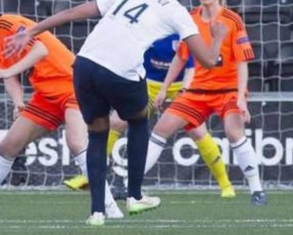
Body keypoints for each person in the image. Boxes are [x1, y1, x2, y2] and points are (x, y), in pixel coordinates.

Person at [5, 0, 227, 226]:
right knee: (139, 120)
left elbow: (73, 13)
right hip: (119, 72)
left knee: (97, 135)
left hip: (84, 66)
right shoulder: (175, 9)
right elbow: (206, 60)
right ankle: (135, 196)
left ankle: (97, 212)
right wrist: (217, 39)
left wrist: (32, 31)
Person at [0, 0, 124, 219]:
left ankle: (109, 207)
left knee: (76, 143)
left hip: (72, 85)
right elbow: (10, 77)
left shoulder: (10, 24)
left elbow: (40, 51)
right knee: (8, 146)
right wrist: (18, 104)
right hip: (45, 95)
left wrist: (7, 71)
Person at [145, 0, 267, 206]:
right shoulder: (189, 19)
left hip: (228, 90)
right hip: (197, 91)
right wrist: (163, 89)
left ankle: (257, 190)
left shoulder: (232, 20)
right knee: (161, 129)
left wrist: (241, 97)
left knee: (234, 132)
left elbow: (242, 62)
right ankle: (133, 186)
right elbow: (180, 57)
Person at [64, 32, 236, 199]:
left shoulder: (180, 31)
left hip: (180, 85)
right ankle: (90, 175)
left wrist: (185, 90)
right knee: (115, 123)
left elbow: (191, 67)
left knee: (198, 131)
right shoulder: (147, 29)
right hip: (150, 85)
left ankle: (226, 185)